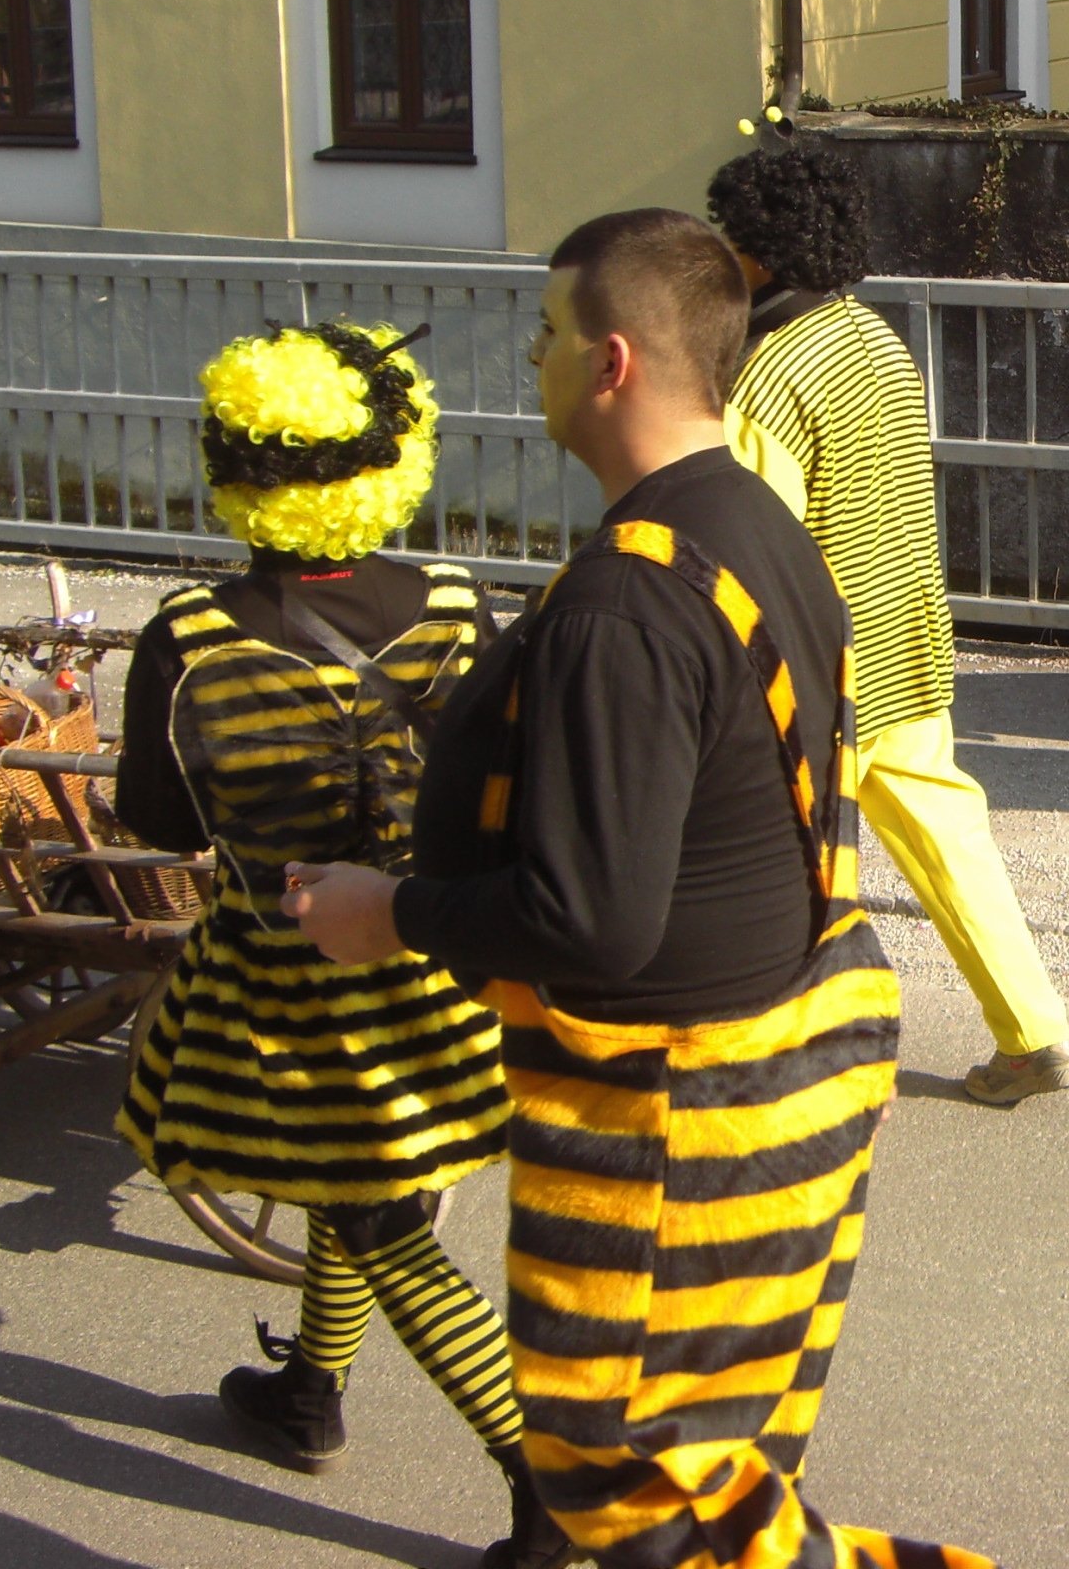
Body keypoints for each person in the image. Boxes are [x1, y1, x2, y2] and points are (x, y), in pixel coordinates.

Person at [281, 209, 990, 1569]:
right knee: (727, 1459)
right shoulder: (756, 521)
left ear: (609, 362)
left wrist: (389, 914)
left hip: (672, 1122)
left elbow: (590, 920)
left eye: (549, 332)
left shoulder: (628, 601)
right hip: (788, 1066)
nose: (533, 359)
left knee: (639, 1487)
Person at [111, 321, 547, 1567]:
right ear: (396, 457)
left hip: (286, 982)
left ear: (230, 466)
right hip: (437, 953)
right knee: (354, 1179)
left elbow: (156, 821)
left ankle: (543, 1481)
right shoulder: (457, 604)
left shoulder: (188, 635)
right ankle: (308, 1389)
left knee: (373, 1209)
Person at [707, 119, 1069, 1107]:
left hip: (816, 669)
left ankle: (774, 1062)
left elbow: (752, 542)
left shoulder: (765, 377)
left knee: (773, 865)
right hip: (904, 640)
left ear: (756, 253)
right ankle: (1033, 1033)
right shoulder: (869, 337)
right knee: (952, 844)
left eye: (726, 238)